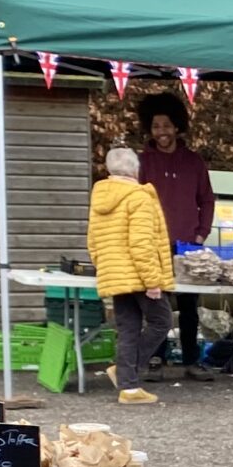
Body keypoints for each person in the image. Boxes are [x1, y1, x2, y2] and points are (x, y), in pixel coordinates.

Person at [136, 94, 215, 378]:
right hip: (152, 245)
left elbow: (207, 200)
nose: (162, 132)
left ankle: (192, 362)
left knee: (189, 306)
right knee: (156, 305)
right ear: (149, 128)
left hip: (187, 246)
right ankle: (155, 360)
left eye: (167, 125)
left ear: (177, 127)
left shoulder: (194, 162)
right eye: (156, 126)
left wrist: (201, 234)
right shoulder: (141, 162)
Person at [86, 147, 173, 406]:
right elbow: (142, 243)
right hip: (139, 273)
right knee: (161, 321)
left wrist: (105, 266)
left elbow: (92, 241)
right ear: (135, 169)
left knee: (128, 329)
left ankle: (129, 388)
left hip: (114, 273)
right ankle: (126, 372)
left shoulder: (100, 197)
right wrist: (152, 281)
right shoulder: (140, 197)